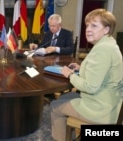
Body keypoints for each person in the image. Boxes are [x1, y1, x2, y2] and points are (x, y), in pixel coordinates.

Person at [50, 9, 123, 141]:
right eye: (87, 25)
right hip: (109, 103)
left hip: (100, 110)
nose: (88, 29)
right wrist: (82, 67)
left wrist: (70, 75)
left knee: (54, 106)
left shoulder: (102, 50)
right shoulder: (109, 43)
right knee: (63, 98)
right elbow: (101, 70)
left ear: (106, 29)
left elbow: (90, 87)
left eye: (94, 25)